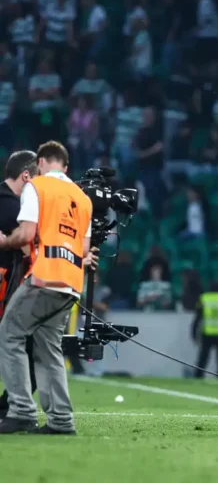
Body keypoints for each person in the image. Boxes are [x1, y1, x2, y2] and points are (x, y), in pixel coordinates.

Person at [0, 141, 96, 434]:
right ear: (66, 167)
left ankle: (21, 411)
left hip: (44, 277)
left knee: (9, 333)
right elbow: (84, 249)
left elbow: (26, 233)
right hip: (70, 284)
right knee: (49, 347)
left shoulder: (37, 187)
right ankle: (61, 421)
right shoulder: (83, 198)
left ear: (40, 163)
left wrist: (3, 241)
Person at [0, 151, 39, 418]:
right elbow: (28, 242)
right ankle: (9, 407)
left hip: (9, 287)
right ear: (26, 175)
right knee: (26, 348)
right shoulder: (11, 206)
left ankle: (9, 406)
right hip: (5, 288)